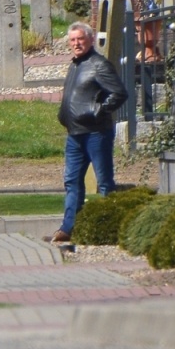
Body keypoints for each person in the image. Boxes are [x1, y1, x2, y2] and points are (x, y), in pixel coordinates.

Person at [53, 22, 128, 244]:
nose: (76, 44)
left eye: (81, 39)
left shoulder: (98, 64)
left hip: (96, 133)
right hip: (74, 134)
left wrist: (98, 111)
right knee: (72, 180)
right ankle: (68, 228)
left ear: (90, 40)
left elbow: (119, 93)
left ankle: (111, 228)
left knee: (104, 181)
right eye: (73, 40)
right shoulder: (75, 65)